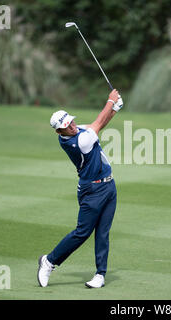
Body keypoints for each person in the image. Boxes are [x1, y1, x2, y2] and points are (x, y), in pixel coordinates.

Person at [37, 89, 123, 288]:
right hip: (92, 191)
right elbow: (97, 125)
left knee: (103, 232)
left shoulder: (76, 131)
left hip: (109, 186)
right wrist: (111, 101)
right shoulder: (79, 143)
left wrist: (114, 109)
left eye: (72, 122)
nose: (73, 127)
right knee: (82, 232)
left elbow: (97, 124)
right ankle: (49, 261)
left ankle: (100, 275)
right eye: (67, 127)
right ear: (60, 132)